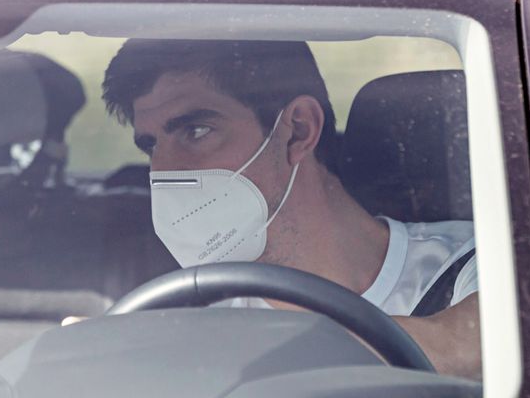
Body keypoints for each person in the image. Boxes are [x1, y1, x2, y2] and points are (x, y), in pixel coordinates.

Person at [102, 39, 480, 379]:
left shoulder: (472, 267)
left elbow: (485, 342)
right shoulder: (198, 308)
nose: (163, 171)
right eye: (151, 145)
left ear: (298, 131)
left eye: (196, 131)